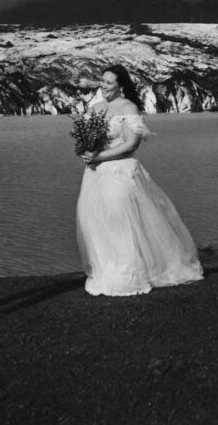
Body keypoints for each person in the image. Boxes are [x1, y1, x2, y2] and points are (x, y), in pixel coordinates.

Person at [76, 65, 203, 296]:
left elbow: (130, 144)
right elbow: (88, 139)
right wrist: (86, 153)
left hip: (119, 172)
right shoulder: (93, 107)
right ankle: (108, 270)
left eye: (109, 82)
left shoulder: (128, 107)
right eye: (102, 81)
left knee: (121, 221)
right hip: (95, 174)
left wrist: (99, 156)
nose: (103, 85)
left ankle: (130, 274)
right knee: (98, 221)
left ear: (120, 85)